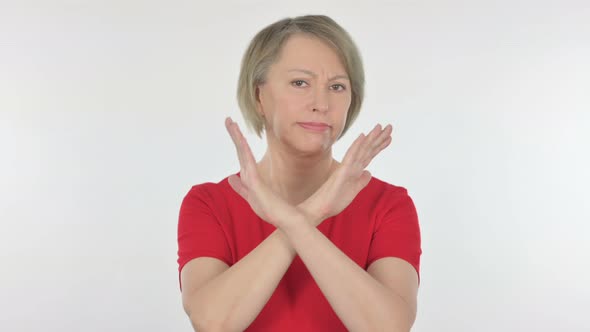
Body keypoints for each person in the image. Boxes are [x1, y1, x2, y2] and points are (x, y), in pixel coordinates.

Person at [177, 14, 422, 332]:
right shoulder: (209, 203)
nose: (321, 103)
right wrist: (309, 215)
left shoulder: (389, 204)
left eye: (337, 86)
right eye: (300, 83)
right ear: (259, 96)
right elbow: (213, 322)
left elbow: (387, 328)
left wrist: (296, 221)